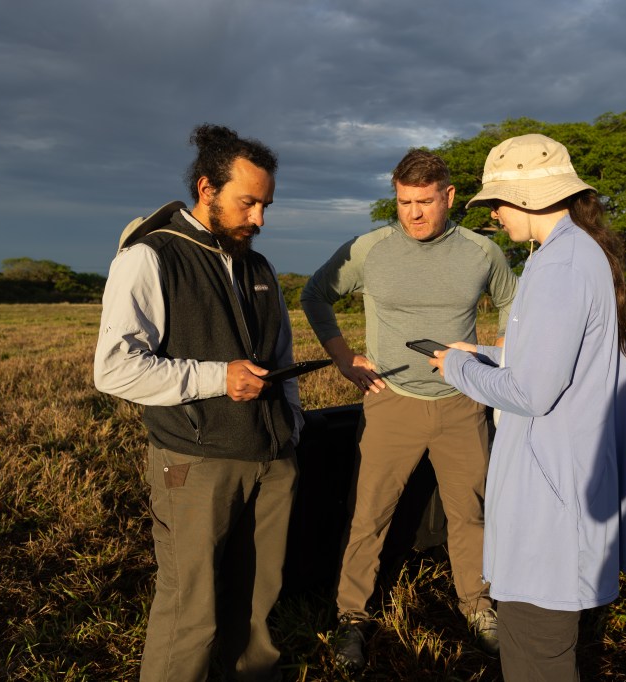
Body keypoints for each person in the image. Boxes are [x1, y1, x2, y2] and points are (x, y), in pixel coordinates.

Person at [94, 124, 303, 682]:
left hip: (272, 456)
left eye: (266, 205)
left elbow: (279, 354)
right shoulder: (150, 257)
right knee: (192, 609)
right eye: (248, 202)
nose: (259, 218)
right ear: (206, 188)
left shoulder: (259, 267)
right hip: (195, 460)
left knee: (257, 603)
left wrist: (293, 423)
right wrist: (219, 378)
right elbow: (113, 369)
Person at [300, 148, 517, 670]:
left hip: (464, 402)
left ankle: (479, 607)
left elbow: (513, 302)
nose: (414, 213)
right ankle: (352, 617)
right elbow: (315, 295)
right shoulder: (370, 249)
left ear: (449, 196)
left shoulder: (482, 252)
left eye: (424, 202)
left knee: (472, 512)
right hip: (391, 402)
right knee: (368, 513)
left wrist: (500, 362)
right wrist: (344, 357)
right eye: (403, 202)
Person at [429, 134, 626, 681]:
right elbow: (555, 360)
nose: (492, 212)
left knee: (535, 652)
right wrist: (487, 354)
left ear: (531, 195)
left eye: (497, 200)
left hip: (549, 498)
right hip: (560, 486)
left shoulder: (559, 265)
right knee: (537, 645)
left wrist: (456, 369)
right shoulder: (573, 253)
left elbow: (532, 392)